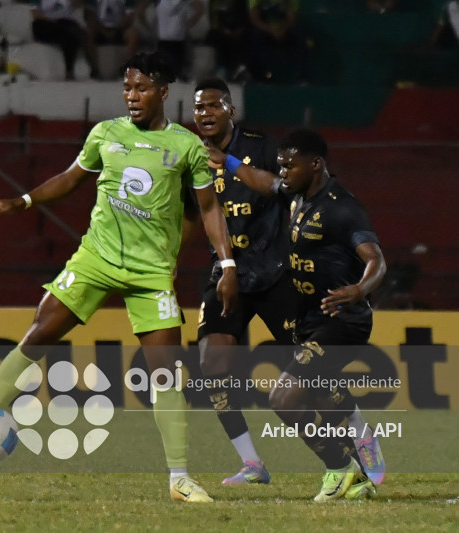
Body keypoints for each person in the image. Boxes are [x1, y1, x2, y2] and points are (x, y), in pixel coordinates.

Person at [0, 52, 239, 504]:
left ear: (162, 92)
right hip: (95, 259)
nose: (131, 96)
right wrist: (20, 202)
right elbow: (69, 179)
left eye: (141, 88)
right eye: (127, 88)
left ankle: (179, 478)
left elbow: (209, 208)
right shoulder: (106, 133)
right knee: (39, 333)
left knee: (166, 374)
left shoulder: (187, 146)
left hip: (150, 271)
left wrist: (227, 264)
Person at [193, 81, 385, 488]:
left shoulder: (271, 153)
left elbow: (270, 183)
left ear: (230, 108)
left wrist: (358, 289)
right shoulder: (192, 158)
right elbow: (207, 207)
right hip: (229, 274)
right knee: (212, 365)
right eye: (198, 107)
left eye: (213, 105)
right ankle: (252, 463)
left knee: (311, 378)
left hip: (279, 277)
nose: (205, 113)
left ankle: (357, 435)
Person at [136, 0, 205, 81]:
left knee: (173, 67)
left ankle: (175, 72)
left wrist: (189, 23)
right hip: (167, 39)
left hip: (174, 40)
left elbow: (199, 9)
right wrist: (149, 27)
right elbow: (140, 10)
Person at [246, 0, 310, 84]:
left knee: (299, 36)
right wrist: (271, 31)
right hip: (264, 29)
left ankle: (302, 77)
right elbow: (255, 18)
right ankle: (262, 75)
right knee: (253, 37)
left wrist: (282, 30)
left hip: (284, 30)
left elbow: (292, 17)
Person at [32, 0, 98, 80]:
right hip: (44, 22)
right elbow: (36, 15)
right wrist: (53, 21)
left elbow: (78, 4)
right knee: (67, 34)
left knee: (77, 34)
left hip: (65, 22)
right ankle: (69, 72)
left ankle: (93, 68)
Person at [84, 0, 140, 79]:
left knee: (134, 35)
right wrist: (102, 30)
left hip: (121, 28)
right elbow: (89, 15)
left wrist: (117, 29)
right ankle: (95, 67)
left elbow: (129, 16)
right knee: (87, 34)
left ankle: (125, 67)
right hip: (99, 27)